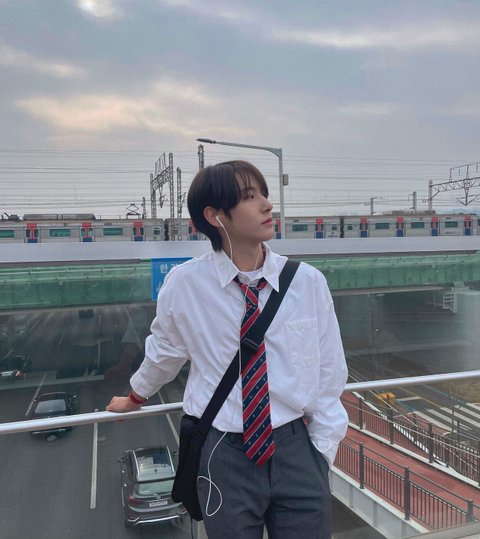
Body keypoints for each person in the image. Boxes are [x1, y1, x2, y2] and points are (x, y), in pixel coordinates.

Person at [107, 160, 348, 538]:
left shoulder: (307, 282)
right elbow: (164, 352)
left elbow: (330, 371)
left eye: (264, 194)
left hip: (297, 448)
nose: (267, 205)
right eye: (250, 197)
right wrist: (135, 397)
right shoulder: (185, 285)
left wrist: (321, 450)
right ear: (214, 216)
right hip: (224, 452)